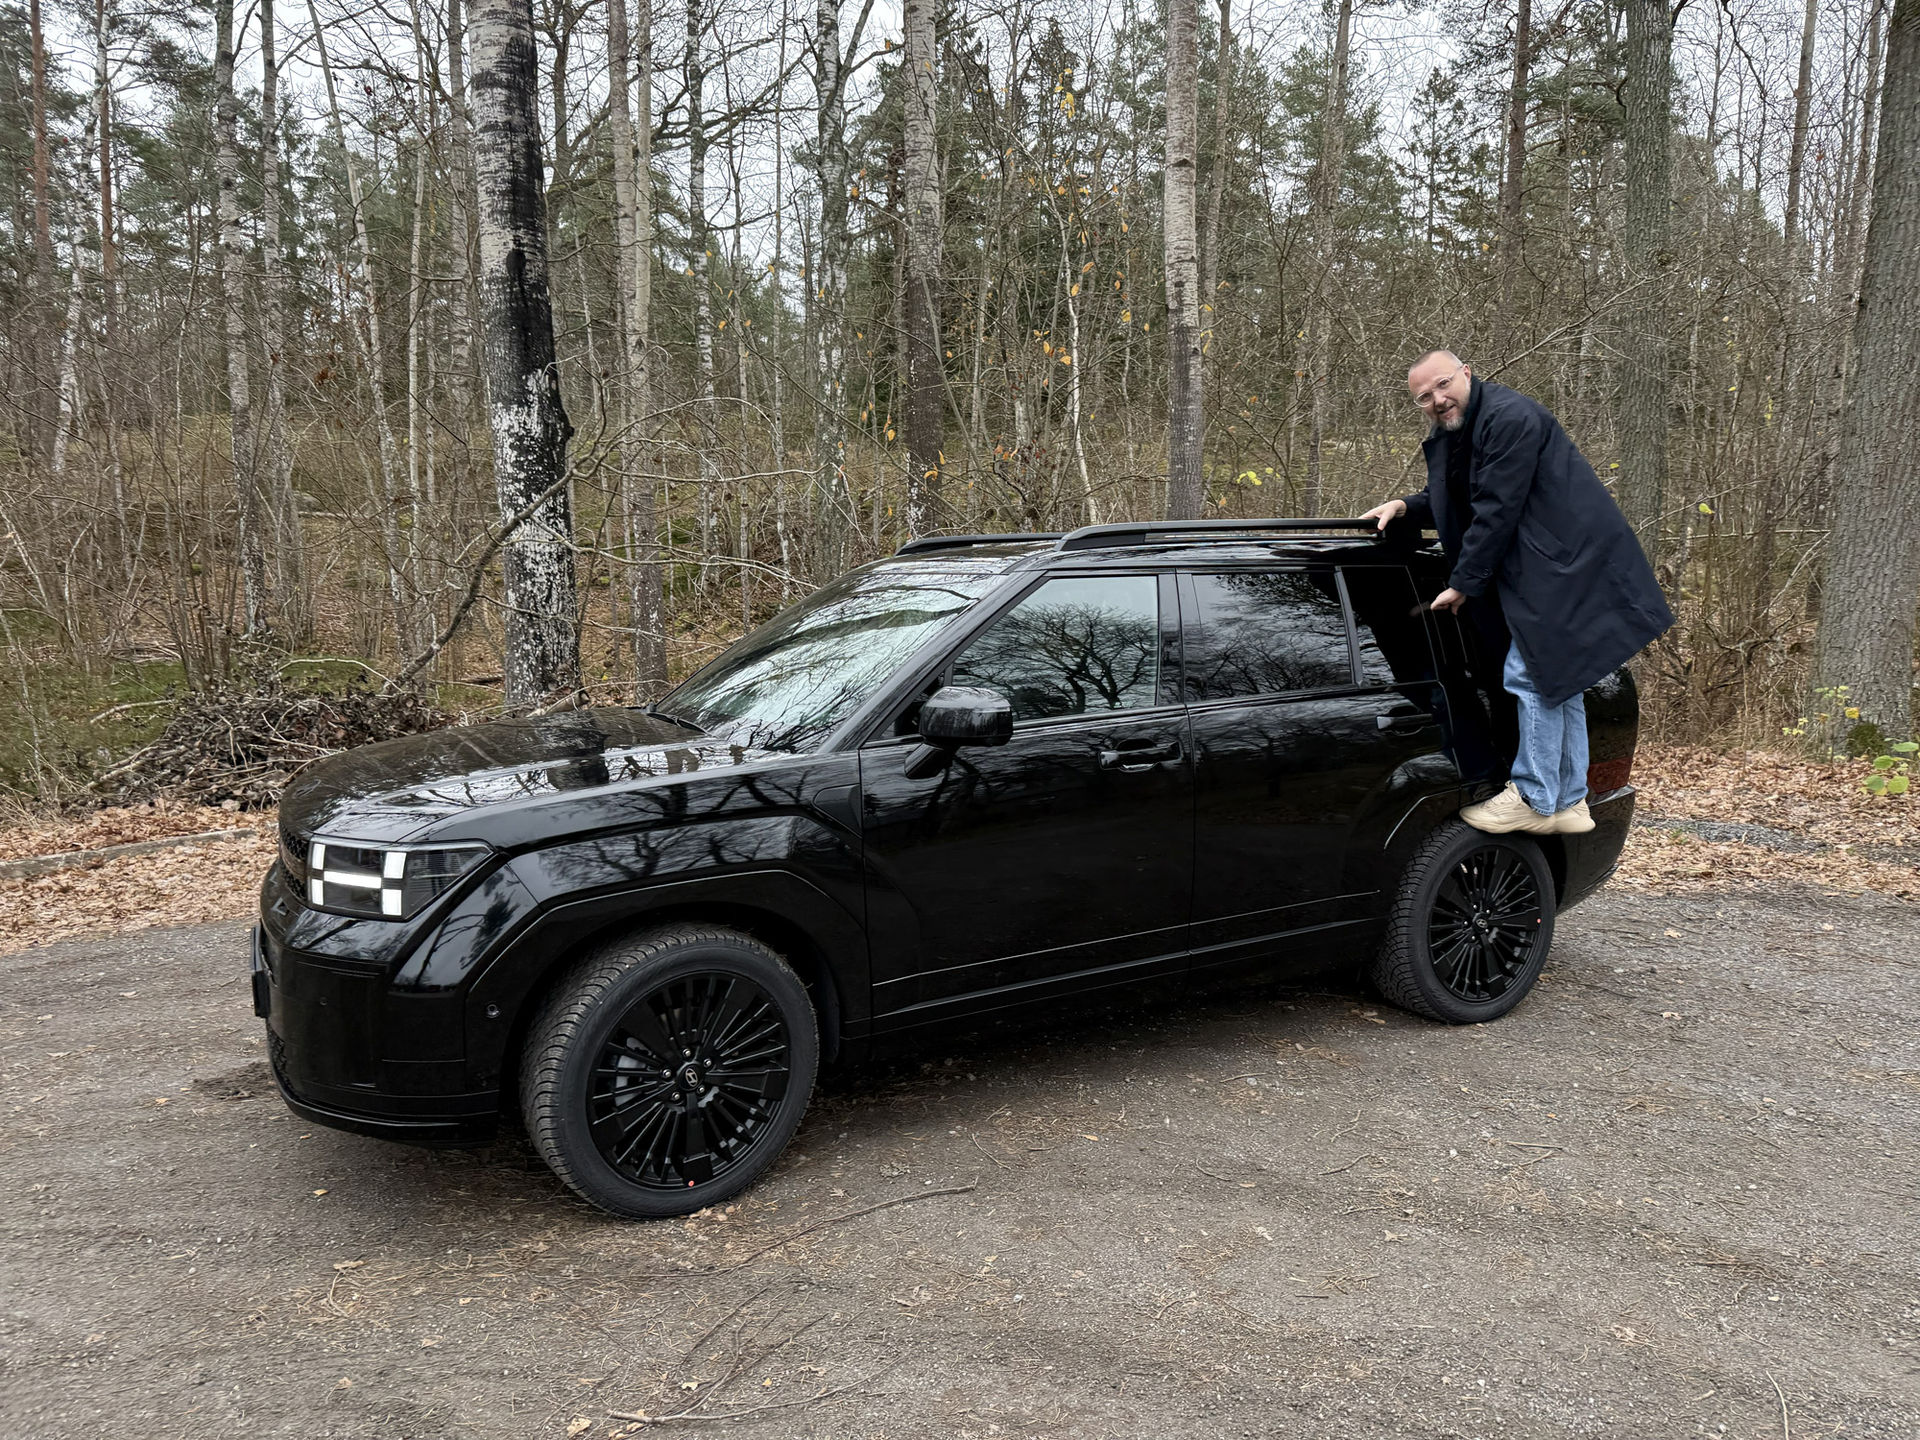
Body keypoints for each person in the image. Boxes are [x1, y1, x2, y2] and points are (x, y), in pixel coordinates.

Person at [1362, 350, 1673, 836]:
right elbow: (1460, 496)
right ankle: (1569, 801)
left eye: (1443, 385)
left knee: (1529, 674)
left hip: (1566, 566)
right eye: (1424, 397)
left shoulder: (1510, 418)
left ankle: (1534, 796)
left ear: (1466, 373)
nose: (1437, 400)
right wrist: (1406, 506)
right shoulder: (1462, 429)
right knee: (1557, 680)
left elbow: (1496, 508)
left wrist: (1463, 582)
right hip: (1543, 568)